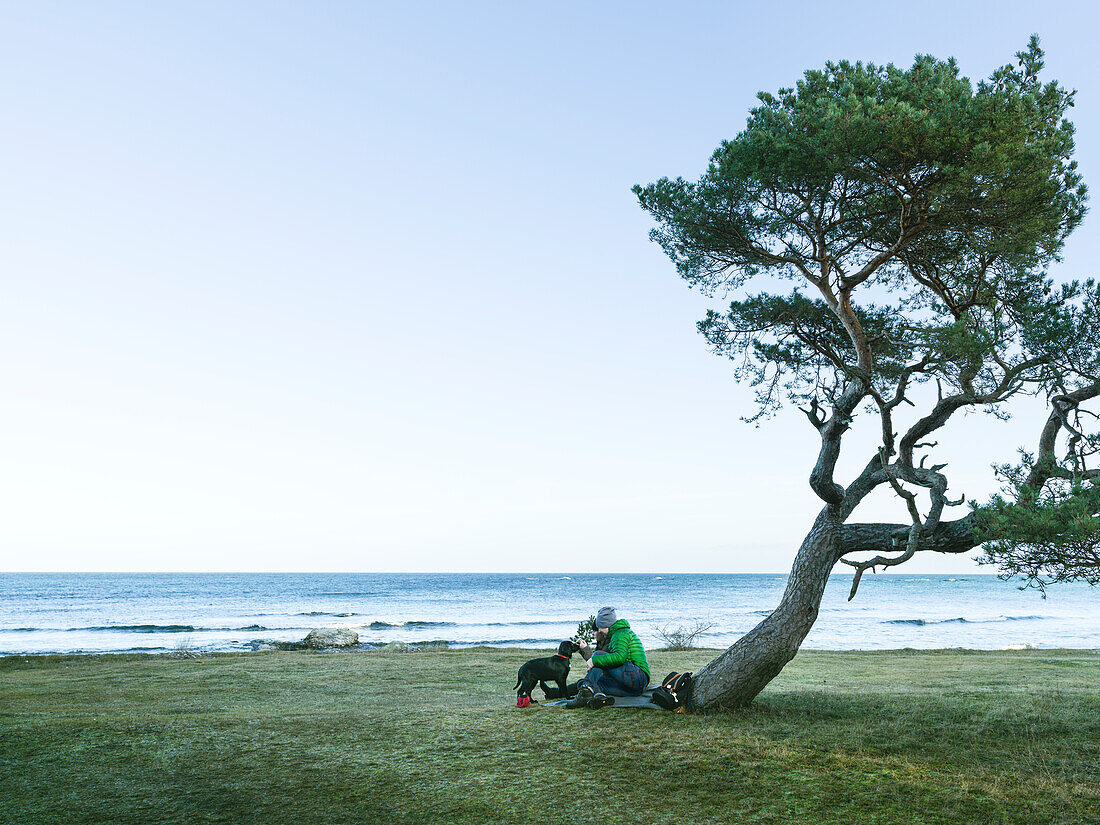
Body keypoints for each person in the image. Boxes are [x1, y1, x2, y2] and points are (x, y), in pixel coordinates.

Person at [567, 606, 649, 709]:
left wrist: (594, 660)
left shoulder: (621, 633)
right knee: (598, 683)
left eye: (599, 627)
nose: (599, 631)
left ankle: (585, 691)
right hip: (635, 688)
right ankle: (598, 697)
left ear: (604, 625)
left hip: (638, 676)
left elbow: (620, 657)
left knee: (598, 655)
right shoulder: (616, 634)